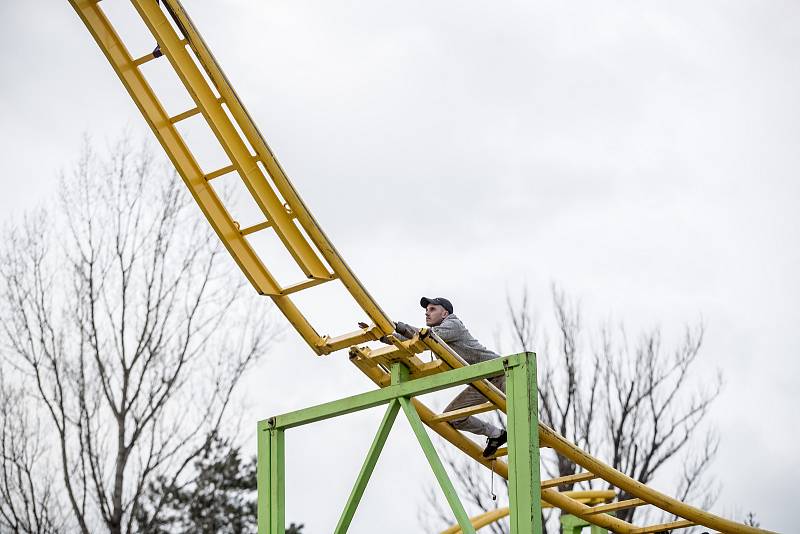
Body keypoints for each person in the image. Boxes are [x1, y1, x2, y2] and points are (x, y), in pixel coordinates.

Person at [391, 297, 507, 458]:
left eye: (432, 309)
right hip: (482, 380)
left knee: (517, 410)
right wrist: (386, 336)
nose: (427, 313)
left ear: (445, 313)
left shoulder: (453, 325)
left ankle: (535, 430)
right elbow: (414, 339)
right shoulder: (432, 335)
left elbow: (429, 336)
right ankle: (496, 434)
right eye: (426, 310)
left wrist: (400, 327)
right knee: (454, 417)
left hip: (501, 372)